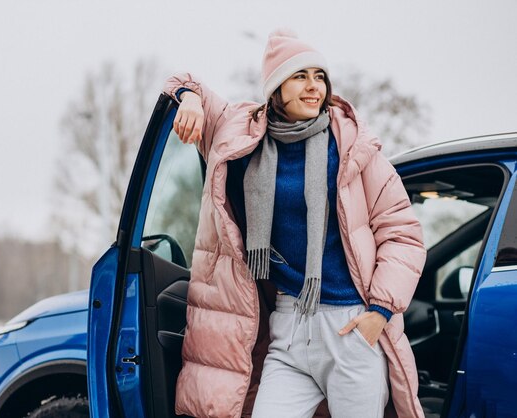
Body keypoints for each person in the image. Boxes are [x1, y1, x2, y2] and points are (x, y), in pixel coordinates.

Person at [164, 29, 426, 418]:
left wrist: (380, 312)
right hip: (288, 326)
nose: (313, 87)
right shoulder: (241, 131)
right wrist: (188, 101)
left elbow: (402, 233)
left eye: (320, 77)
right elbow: (183, 82)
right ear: (275, 89)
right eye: (300, 76)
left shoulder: (352, 145)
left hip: (350, 325)